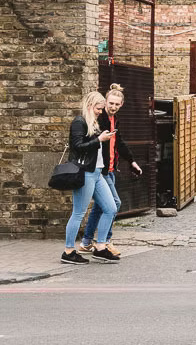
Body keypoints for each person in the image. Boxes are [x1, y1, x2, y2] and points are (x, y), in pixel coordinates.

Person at [77, 84, 142, 255]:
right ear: (105, 102)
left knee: (102, 205)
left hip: (111, 169)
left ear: (121, 105)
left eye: (116, 104)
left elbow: (118, 142)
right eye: (110, 103)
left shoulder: (114, 120)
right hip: (101, 171)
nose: (113, 107)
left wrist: (131, 161)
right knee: (114, 204)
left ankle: (86, 242)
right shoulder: (101, 119)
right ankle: (104, 242)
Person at [61, 92, 122, 265]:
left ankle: (101, 247)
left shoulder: (93, 122)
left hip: (97, 172)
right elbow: (77, 146)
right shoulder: (79, 122)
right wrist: (100, 139)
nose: (100, 111)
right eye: (98, 108)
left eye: (101, 109)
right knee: (79, 212)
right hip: (85, 173)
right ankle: (68, 251)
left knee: (111, 208)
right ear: (89, 105)